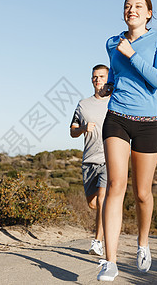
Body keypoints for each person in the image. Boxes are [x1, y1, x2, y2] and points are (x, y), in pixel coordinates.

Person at [97, 0, 157, 282]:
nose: (131, 10)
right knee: (115, 185)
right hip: (117, 119)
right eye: (127, 6)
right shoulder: (113, 42)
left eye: (138, 6)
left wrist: (132, 54)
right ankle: (109, 262)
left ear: (148, 13)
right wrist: (107, 86)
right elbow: (114, 76)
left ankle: (143, 243)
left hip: (149, 123)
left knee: (142, 194)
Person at [70, 64, 113, 257]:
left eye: (102, 77)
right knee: (93, 204)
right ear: (91, 80)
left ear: (108, 78)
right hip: (89, 160)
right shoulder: (82, 105)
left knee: (103, 201)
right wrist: (83, 128)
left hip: (109, 159)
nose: (98, 80)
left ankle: (98, 242)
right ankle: (105, 224)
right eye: (95, 77)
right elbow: (72, 131)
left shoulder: (116, 102)